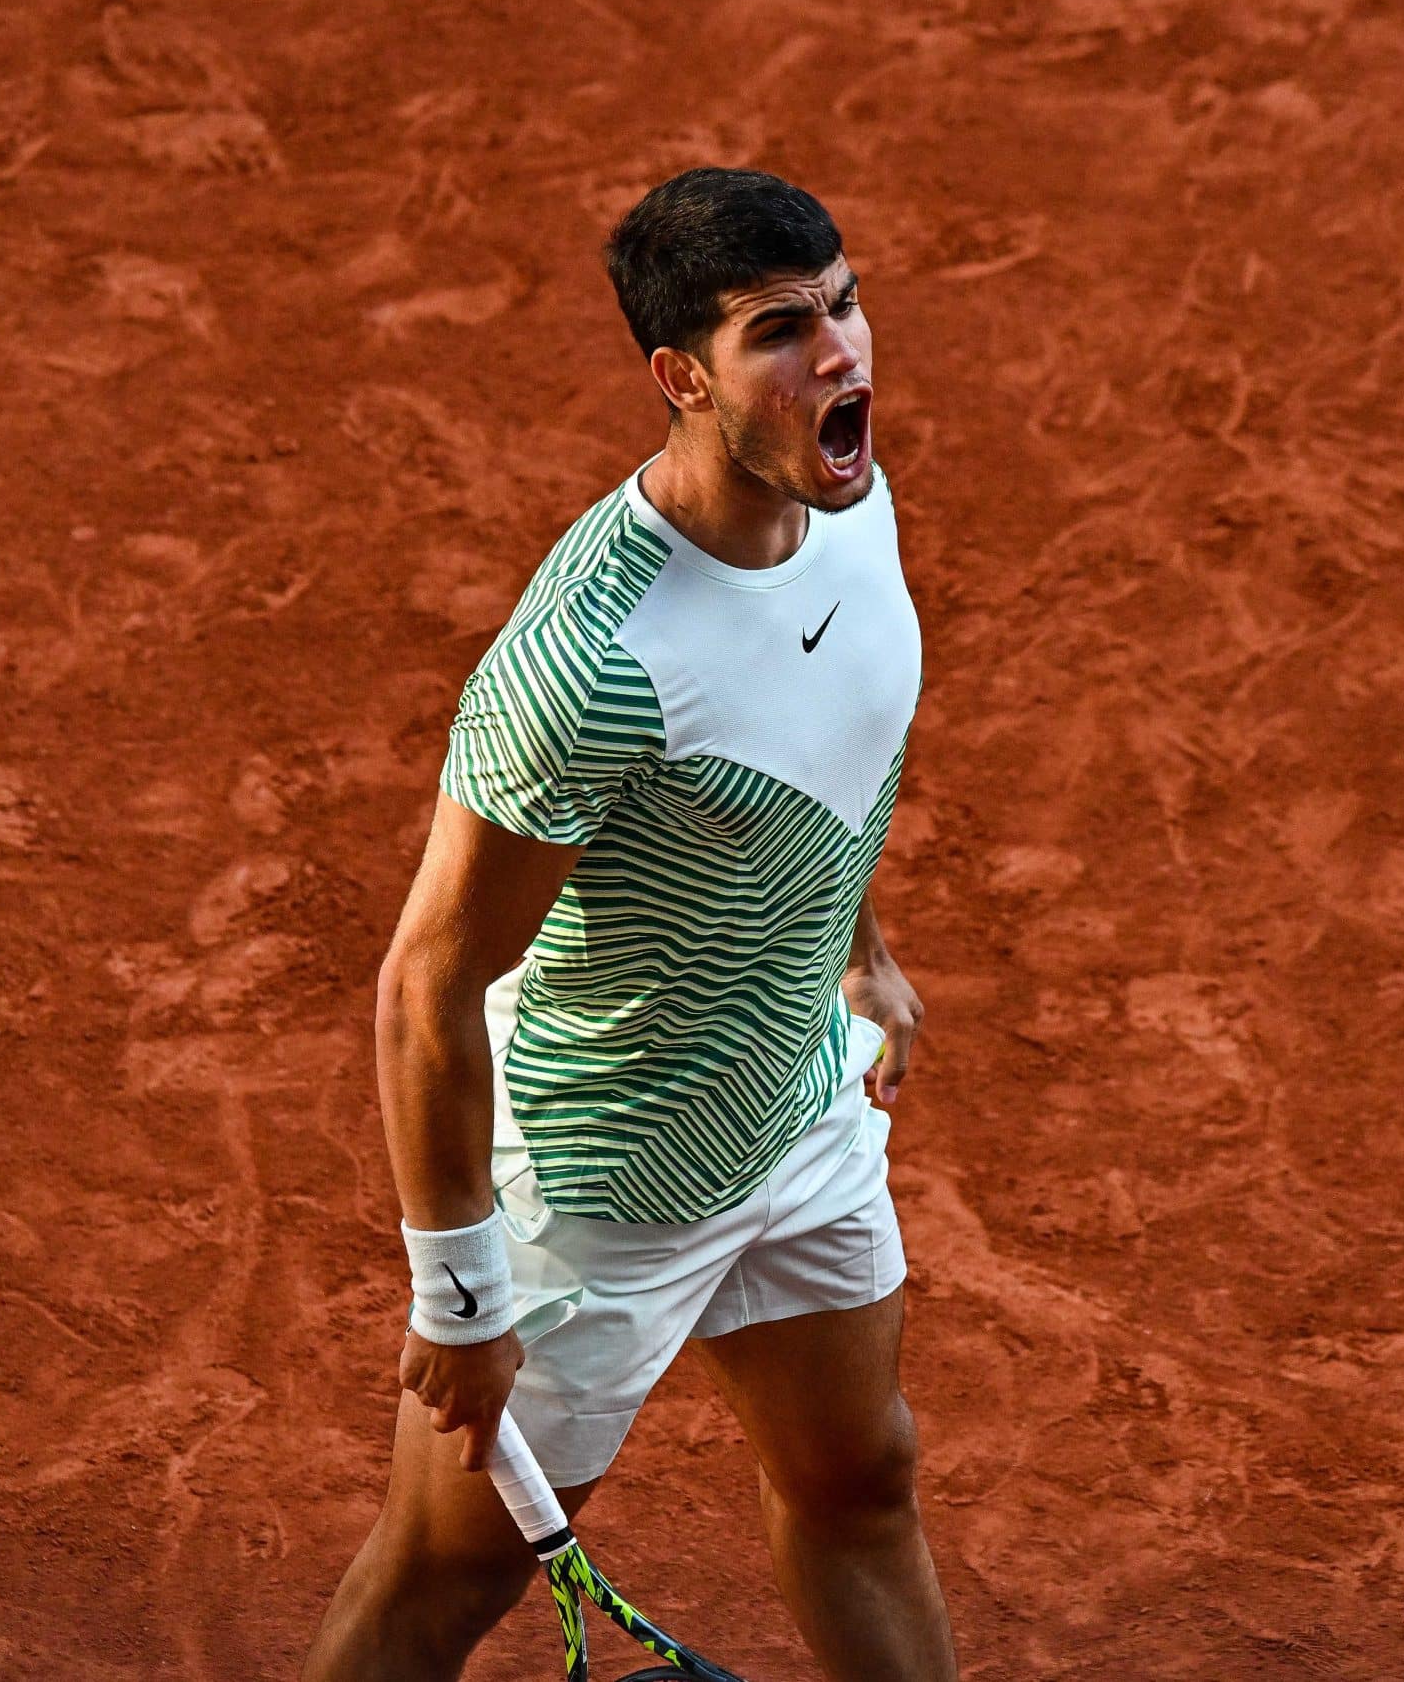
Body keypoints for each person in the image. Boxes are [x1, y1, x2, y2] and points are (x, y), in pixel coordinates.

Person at [302, 166, 959, 1682]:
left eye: (846, 305)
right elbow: (428, 978)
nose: (844, 356)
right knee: (435, 1580)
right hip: (601, 1191)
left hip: (793, 1116)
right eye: (783, 332)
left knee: (862, 1481)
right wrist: (458, 1294)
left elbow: (825, 743)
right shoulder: (591, 665)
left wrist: (858, 948)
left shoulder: (847, 502)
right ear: (681, 378)